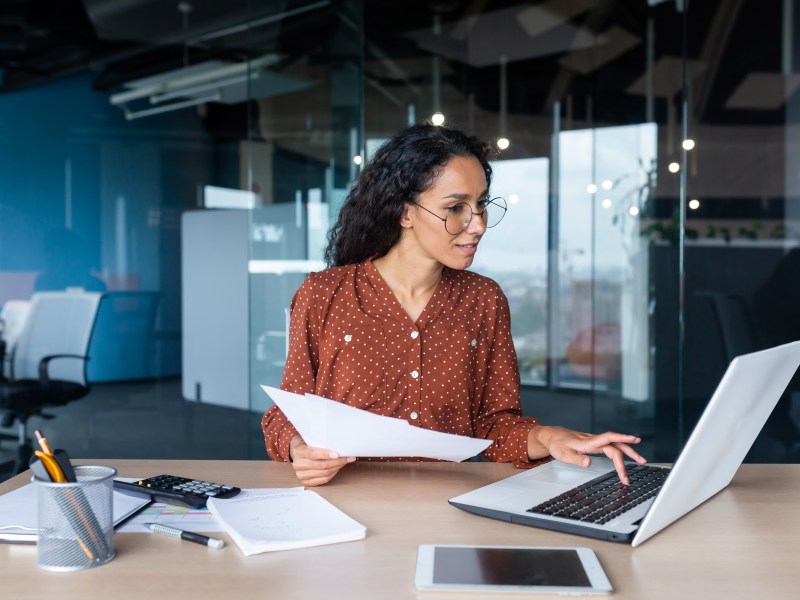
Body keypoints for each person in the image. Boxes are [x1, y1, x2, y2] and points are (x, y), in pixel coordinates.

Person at [262, 123, 646, 486]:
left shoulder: (484, 300)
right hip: (342, 501)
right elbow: (288, 412)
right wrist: (299, 449)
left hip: (448, 503)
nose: (477, 223)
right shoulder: (324, 294)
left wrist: (550, 437)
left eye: (480, 204)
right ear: (405, 211)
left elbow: (495, 427)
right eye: (455, 207)